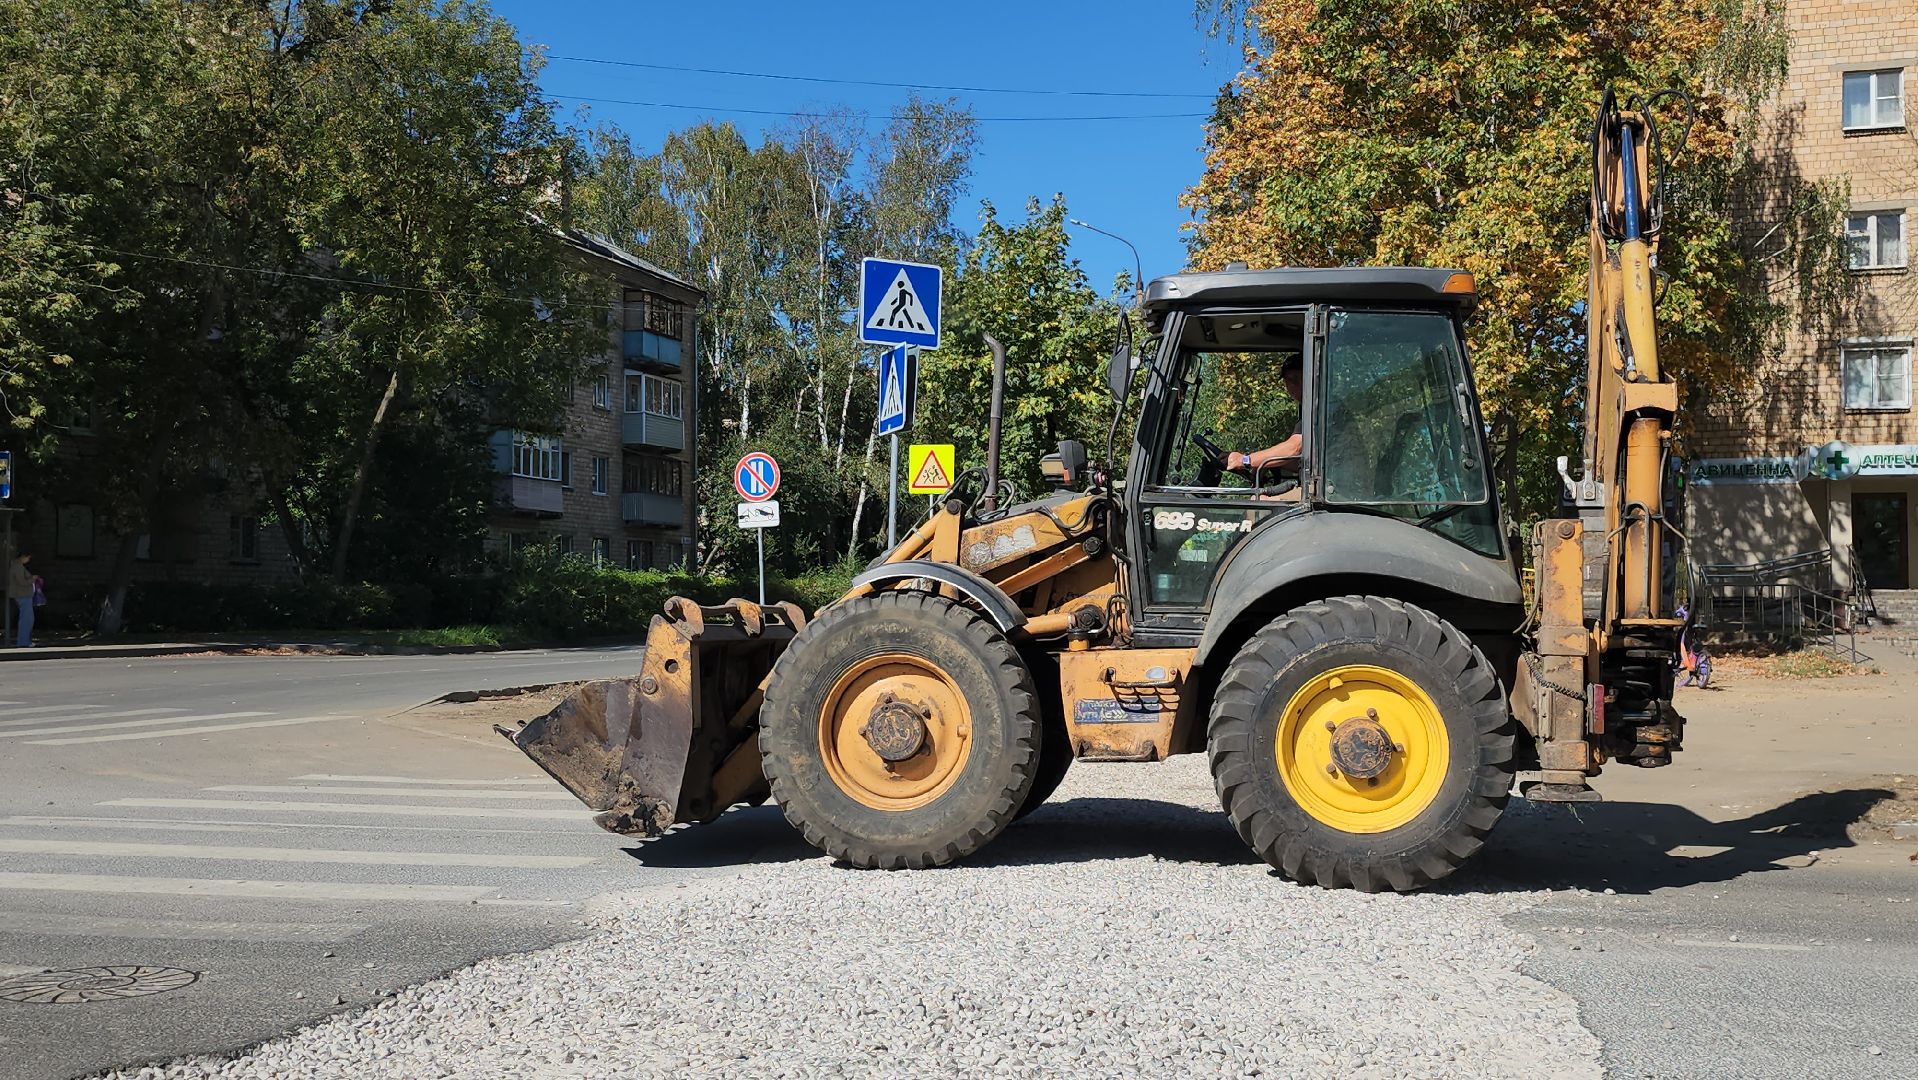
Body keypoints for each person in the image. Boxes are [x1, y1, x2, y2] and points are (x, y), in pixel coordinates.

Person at [1216, 356, 1304, 476]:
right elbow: (1300, 461)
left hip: (1329, 488)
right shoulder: (1308, 410)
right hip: (1318, 483)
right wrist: (1259, 461)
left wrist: (1245, 460)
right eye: (1289, 380)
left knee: (1257, 496)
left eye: (1297, 378)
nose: (1293, 384)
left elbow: (1293, 449)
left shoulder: (1318, 410)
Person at [8, 550, 34, 648]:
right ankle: (24, 642)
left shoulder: (16, 566)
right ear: (23, 556)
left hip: (22, 594)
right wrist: (33, 579)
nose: (28, 560)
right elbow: (22, 582)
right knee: (26, 619)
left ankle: (25, 640)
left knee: (27, 618)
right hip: (22, 595)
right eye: (28, 558)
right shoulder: (18, 566)